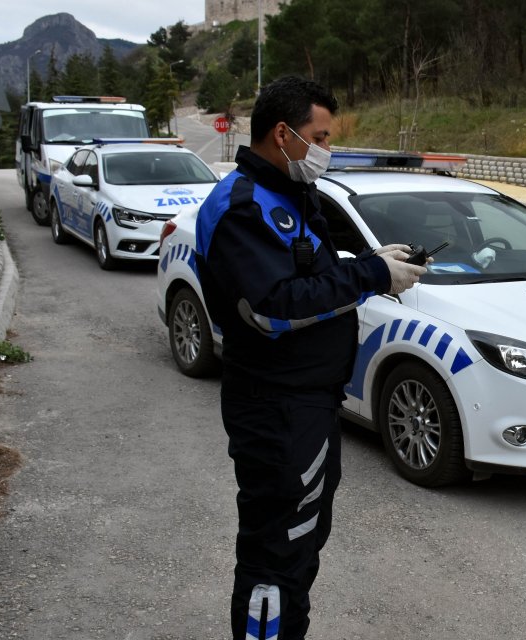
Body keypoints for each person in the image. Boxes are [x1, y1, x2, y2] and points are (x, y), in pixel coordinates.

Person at [194, 75, 427, 640]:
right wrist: (371, 275)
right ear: (282, 134)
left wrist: (371, 260)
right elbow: (272, 308)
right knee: (276, 555)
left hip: (307, 405)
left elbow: (310, 276)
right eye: (319, 136)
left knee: (299, 546)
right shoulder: (242, 207)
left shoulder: (288, 195)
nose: (326, 148)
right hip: (275, 408)